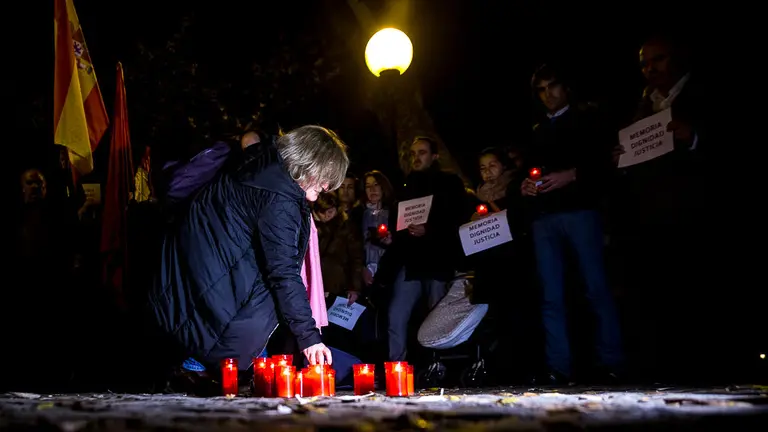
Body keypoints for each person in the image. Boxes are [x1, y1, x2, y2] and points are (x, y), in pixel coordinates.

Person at [148, 125, 349, 382]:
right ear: (309, 163)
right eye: (326, 176)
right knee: (260, 303)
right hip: (213, 265)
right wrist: (309, 338)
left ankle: (246, 362)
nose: (326, 186)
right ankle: (201, 366)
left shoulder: (268, 161)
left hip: (199, 254)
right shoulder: (279, 198)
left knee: (244, 310)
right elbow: (283, 272)